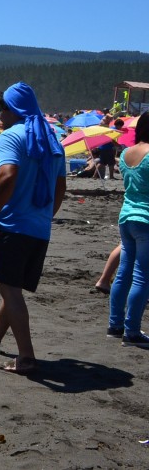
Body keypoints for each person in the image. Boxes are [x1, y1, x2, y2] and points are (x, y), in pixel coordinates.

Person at [0, 82, 66, 374]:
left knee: (10, 290)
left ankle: (26, 356)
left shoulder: (12, 136)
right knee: (12, 287)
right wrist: (44, 216)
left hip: (11, 225)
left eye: (1, 109)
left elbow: (7, 175)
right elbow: (60, 186)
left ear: (12, 109)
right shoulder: (52, 140)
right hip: (39, 228)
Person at [108, 112, 149, 347]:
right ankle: (132, 331)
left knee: (124, 273)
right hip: (146, 219)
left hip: (126, 217)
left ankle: (115, 325)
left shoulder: (125, 154)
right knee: (142, 276)